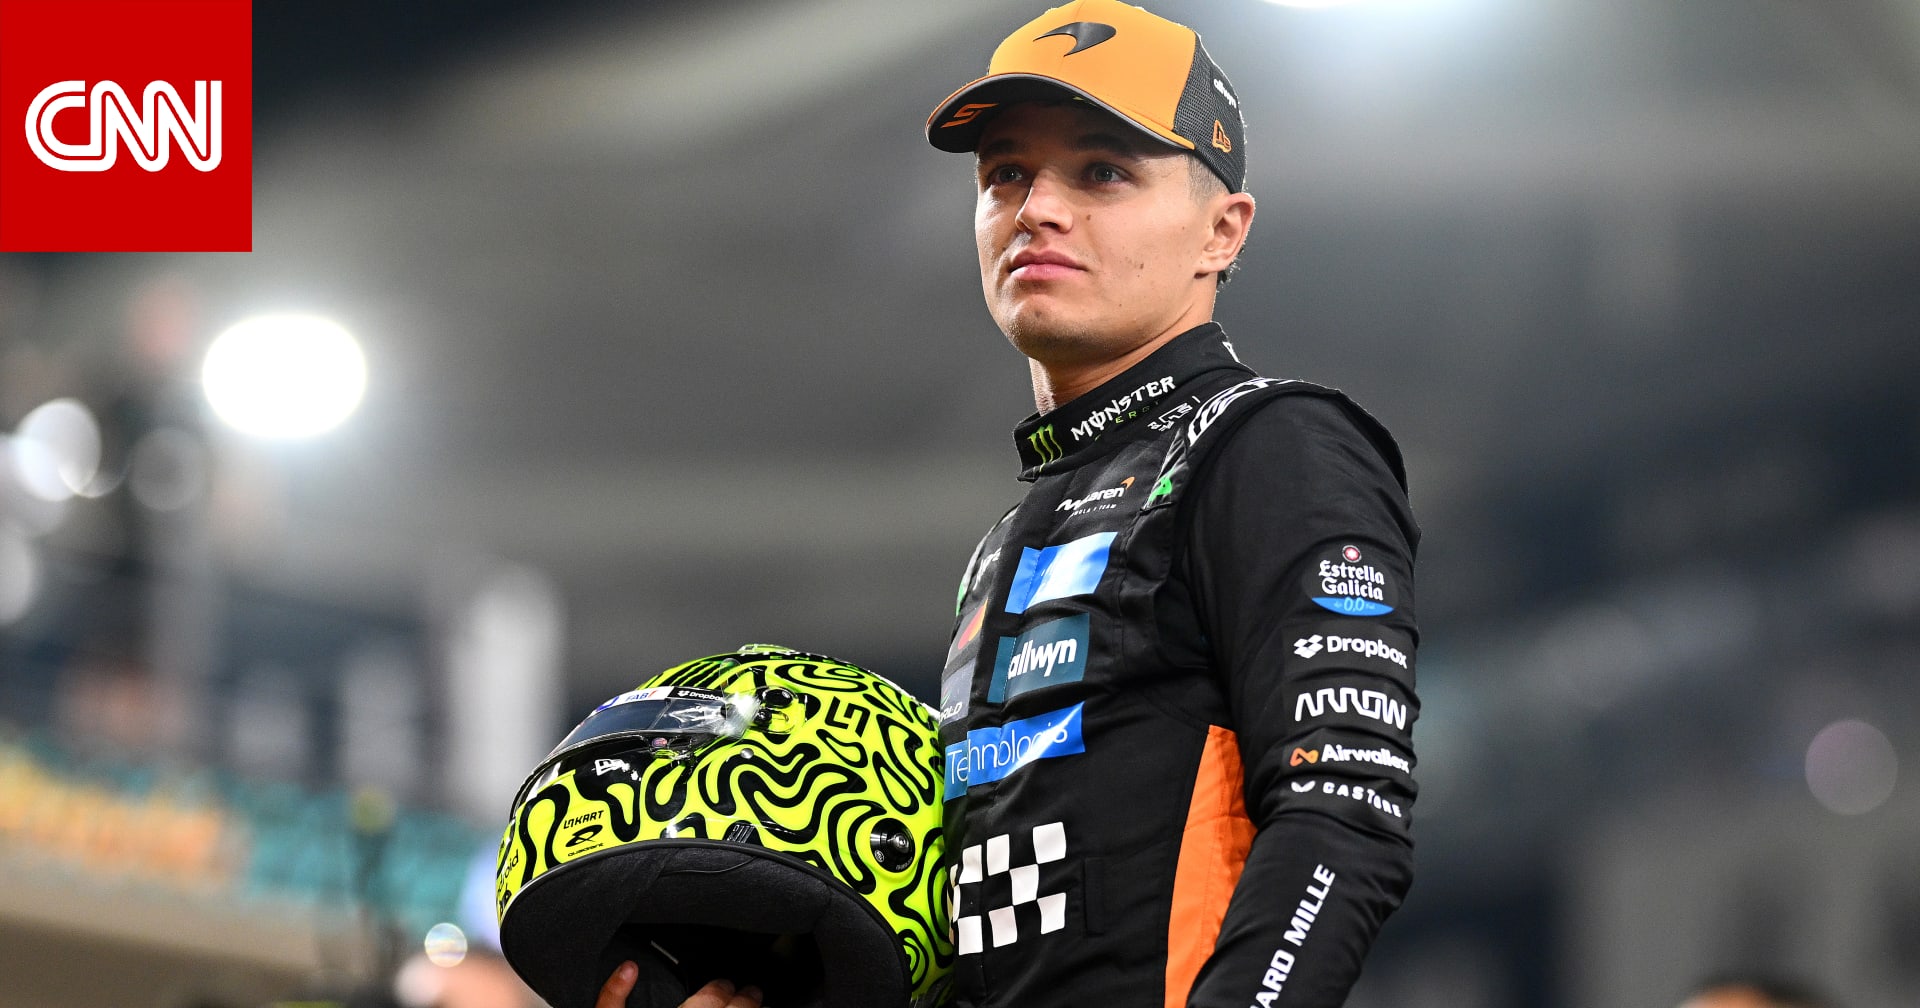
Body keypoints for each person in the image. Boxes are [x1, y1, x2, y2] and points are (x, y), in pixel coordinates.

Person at [597, 1, 1418, 1006]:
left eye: (1102, 172)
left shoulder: (1268, 445)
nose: (1037, 209)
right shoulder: (1010, 540)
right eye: (1006, 174)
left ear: (1222, 230)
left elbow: (1344, 813)